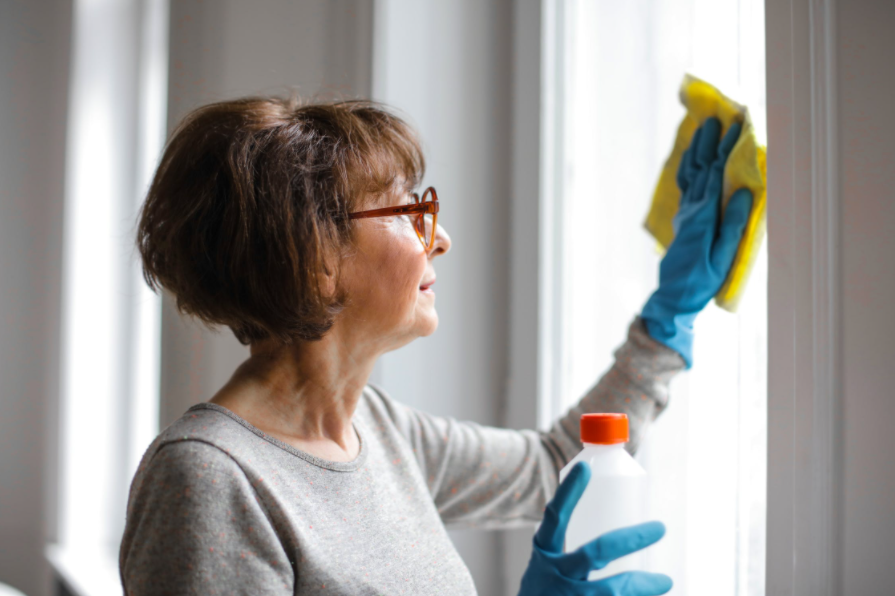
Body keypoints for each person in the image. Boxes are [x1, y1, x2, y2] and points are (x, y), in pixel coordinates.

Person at [119, 97, 751, 595]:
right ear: (315, 257)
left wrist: (668, 318)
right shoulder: (210, 479)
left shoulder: (381, 432)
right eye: (405, 210)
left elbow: (554, 466)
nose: (440, 237)